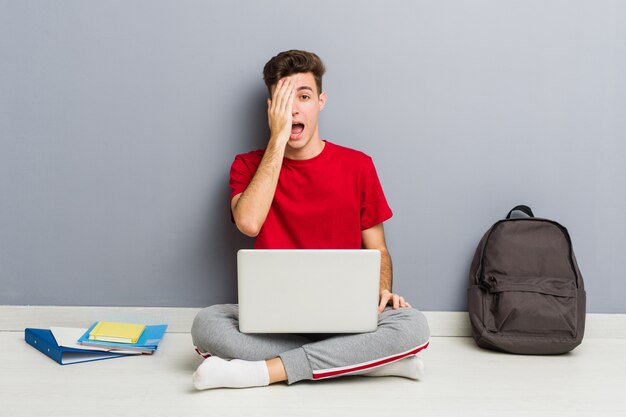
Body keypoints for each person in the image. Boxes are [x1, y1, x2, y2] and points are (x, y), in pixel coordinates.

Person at [191, 50, 430, 390]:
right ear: (271, 108)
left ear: (321, 101)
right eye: (283, 99)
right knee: (207, 324)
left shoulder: (358, 165)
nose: (293, 109)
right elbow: (249, 223)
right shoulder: (246, 165)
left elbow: (377, 247)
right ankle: (363, 362)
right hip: (274, 322)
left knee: (413, 324)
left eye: (303, 97)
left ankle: (263, 372)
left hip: (347, 319)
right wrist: (277, 138)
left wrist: (383, 290)